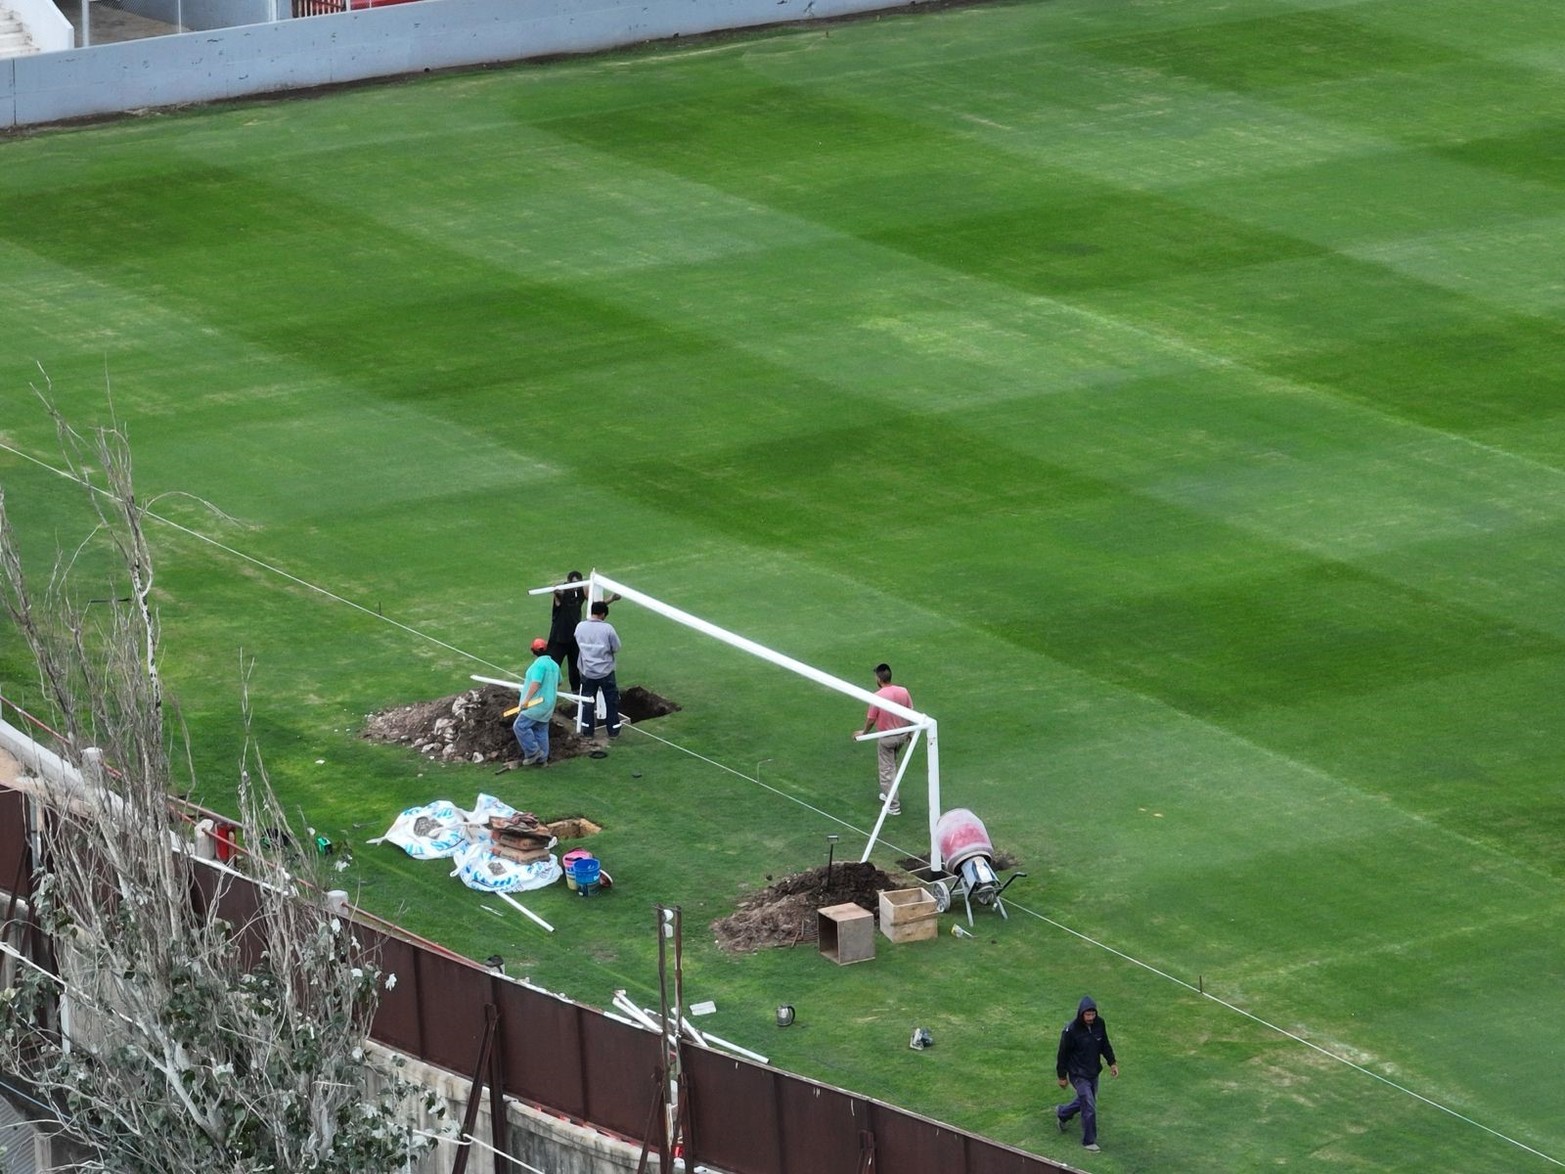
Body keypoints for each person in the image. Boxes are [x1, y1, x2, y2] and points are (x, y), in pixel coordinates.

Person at [1054, 995, 1118, 1153]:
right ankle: (1089, 1141)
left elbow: (1104, 1044)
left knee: (1086, 1101)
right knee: (1089, 1105)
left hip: (1093, 1071)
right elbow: (1062, 1054)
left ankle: (1062, 1113)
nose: (1090, 1018)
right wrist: (1062, 1076)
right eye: (1087, 1015)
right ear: (1081, 1014)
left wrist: (1112, 1062)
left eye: (1092, 1014)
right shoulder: (1071, 1031)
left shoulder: (1100, 1024)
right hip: (1078, 1073)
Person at [852, 663, 913, 815]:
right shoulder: (903, 691)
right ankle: (889, 794)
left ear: (879, 679)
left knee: (886, 771)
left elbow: (871, 719)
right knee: (892, 766)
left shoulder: (878, 697)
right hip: (902, 735)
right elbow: (910, 712)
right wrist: (911, 732)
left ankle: (893, 805)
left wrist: (864, 732)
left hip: (887, 738)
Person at [574, 599, 621, 743]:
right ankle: (613, 731)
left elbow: (577, 642)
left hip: (587, 672)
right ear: (603, 614)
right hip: (605, 672)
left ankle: (588, 732)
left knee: (588, 702)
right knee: (611, 701)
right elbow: (616, 647)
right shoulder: (607, 629)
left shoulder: (580, 627)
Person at [512, 638, 561, 766]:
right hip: (549, 704)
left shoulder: (538, 665)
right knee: (541, 729)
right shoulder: (554, 665)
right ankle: (542, 760)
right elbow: (559, 682)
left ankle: (533, 752)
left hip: (535, 704)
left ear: (532, 651)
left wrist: (526, 700)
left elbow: (536, 683)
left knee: (520, 726)